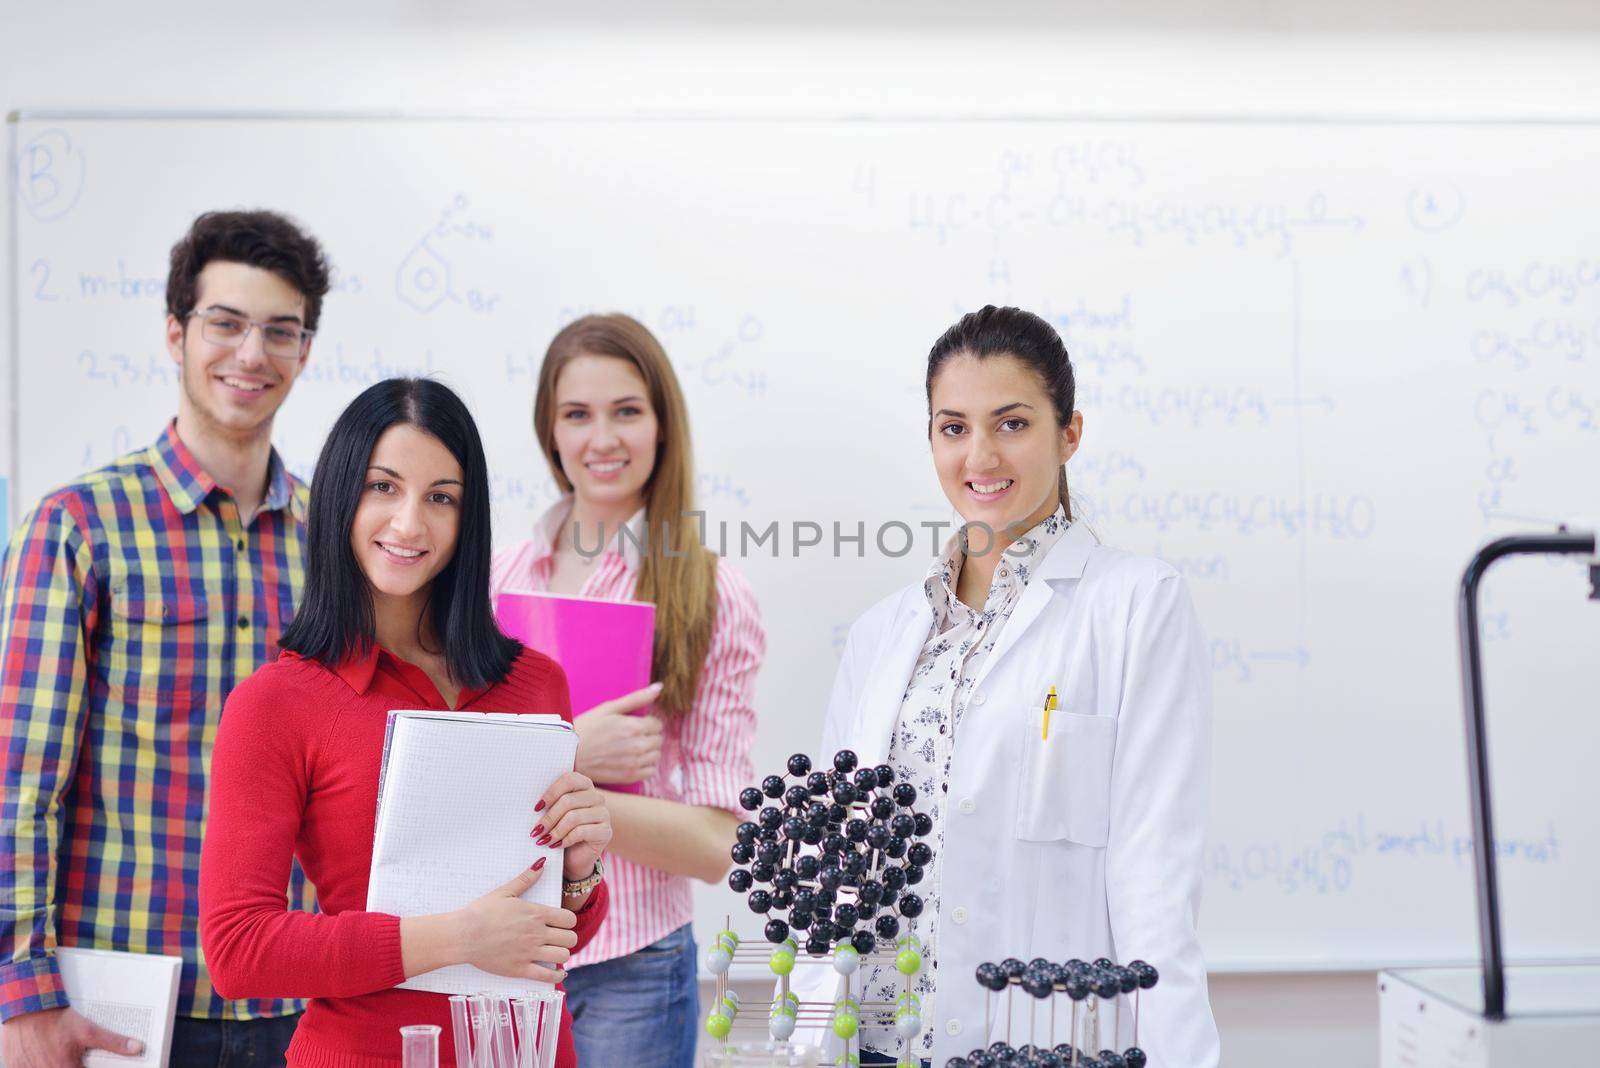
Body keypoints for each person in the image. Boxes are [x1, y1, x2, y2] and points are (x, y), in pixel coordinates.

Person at [796, 306, 1220, 1067]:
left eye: (1012, 423)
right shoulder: (882, 634)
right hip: (878, 1045)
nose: (980, 455)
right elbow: (835, 873)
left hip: (1040, 1038)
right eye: (953, 427)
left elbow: (1154, 875)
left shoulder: (1135, 604)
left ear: (1070, 433)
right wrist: (809, 1039)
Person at [198, 378, 610, 1068]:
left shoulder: (537, 684)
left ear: (467, 516)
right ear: (337, 498)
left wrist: (581, 867)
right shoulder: (275, 704)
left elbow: (559, 936)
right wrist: (455, 939)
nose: (410, 523)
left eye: (441, 497)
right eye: (382, 487)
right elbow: (239, 952)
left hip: (526, 1052)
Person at [0, 210, 329, 1068]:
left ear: (304, 351)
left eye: (280, 332)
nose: (251, 354)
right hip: (130, 1003)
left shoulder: (336, 543)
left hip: (303, 998)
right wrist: (20, 993)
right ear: (177, 335)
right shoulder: (78, 527)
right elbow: (17, 782)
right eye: (225, 323)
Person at [490, 314, 763, 1068]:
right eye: (577, 414)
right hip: (499, 954)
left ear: (662, 425)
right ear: (550, 431)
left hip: (633, 970)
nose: (601, 439)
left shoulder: (711, 594)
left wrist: (563, 790)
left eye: (627, 412)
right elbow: (449, 773)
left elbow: (717, 845)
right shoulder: (495, 578)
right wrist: (572, 746)